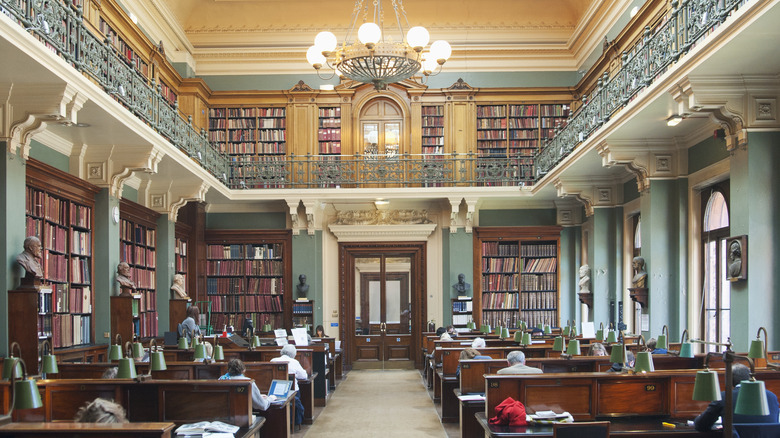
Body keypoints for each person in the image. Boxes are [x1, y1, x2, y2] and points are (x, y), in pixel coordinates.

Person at [694, 364, 780, 432]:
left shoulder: (724, 397)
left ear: (730, 380)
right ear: (750, 377)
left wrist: (698, 417)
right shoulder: (771, 396)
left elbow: (701, 425)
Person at [270, 344, 307, 426]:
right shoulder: (294, 362)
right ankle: (293, 422)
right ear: (293, 354)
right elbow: (304, 376)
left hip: (275, 391)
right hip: (292, 391)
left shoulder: (273, 360)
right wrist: (295, 375)